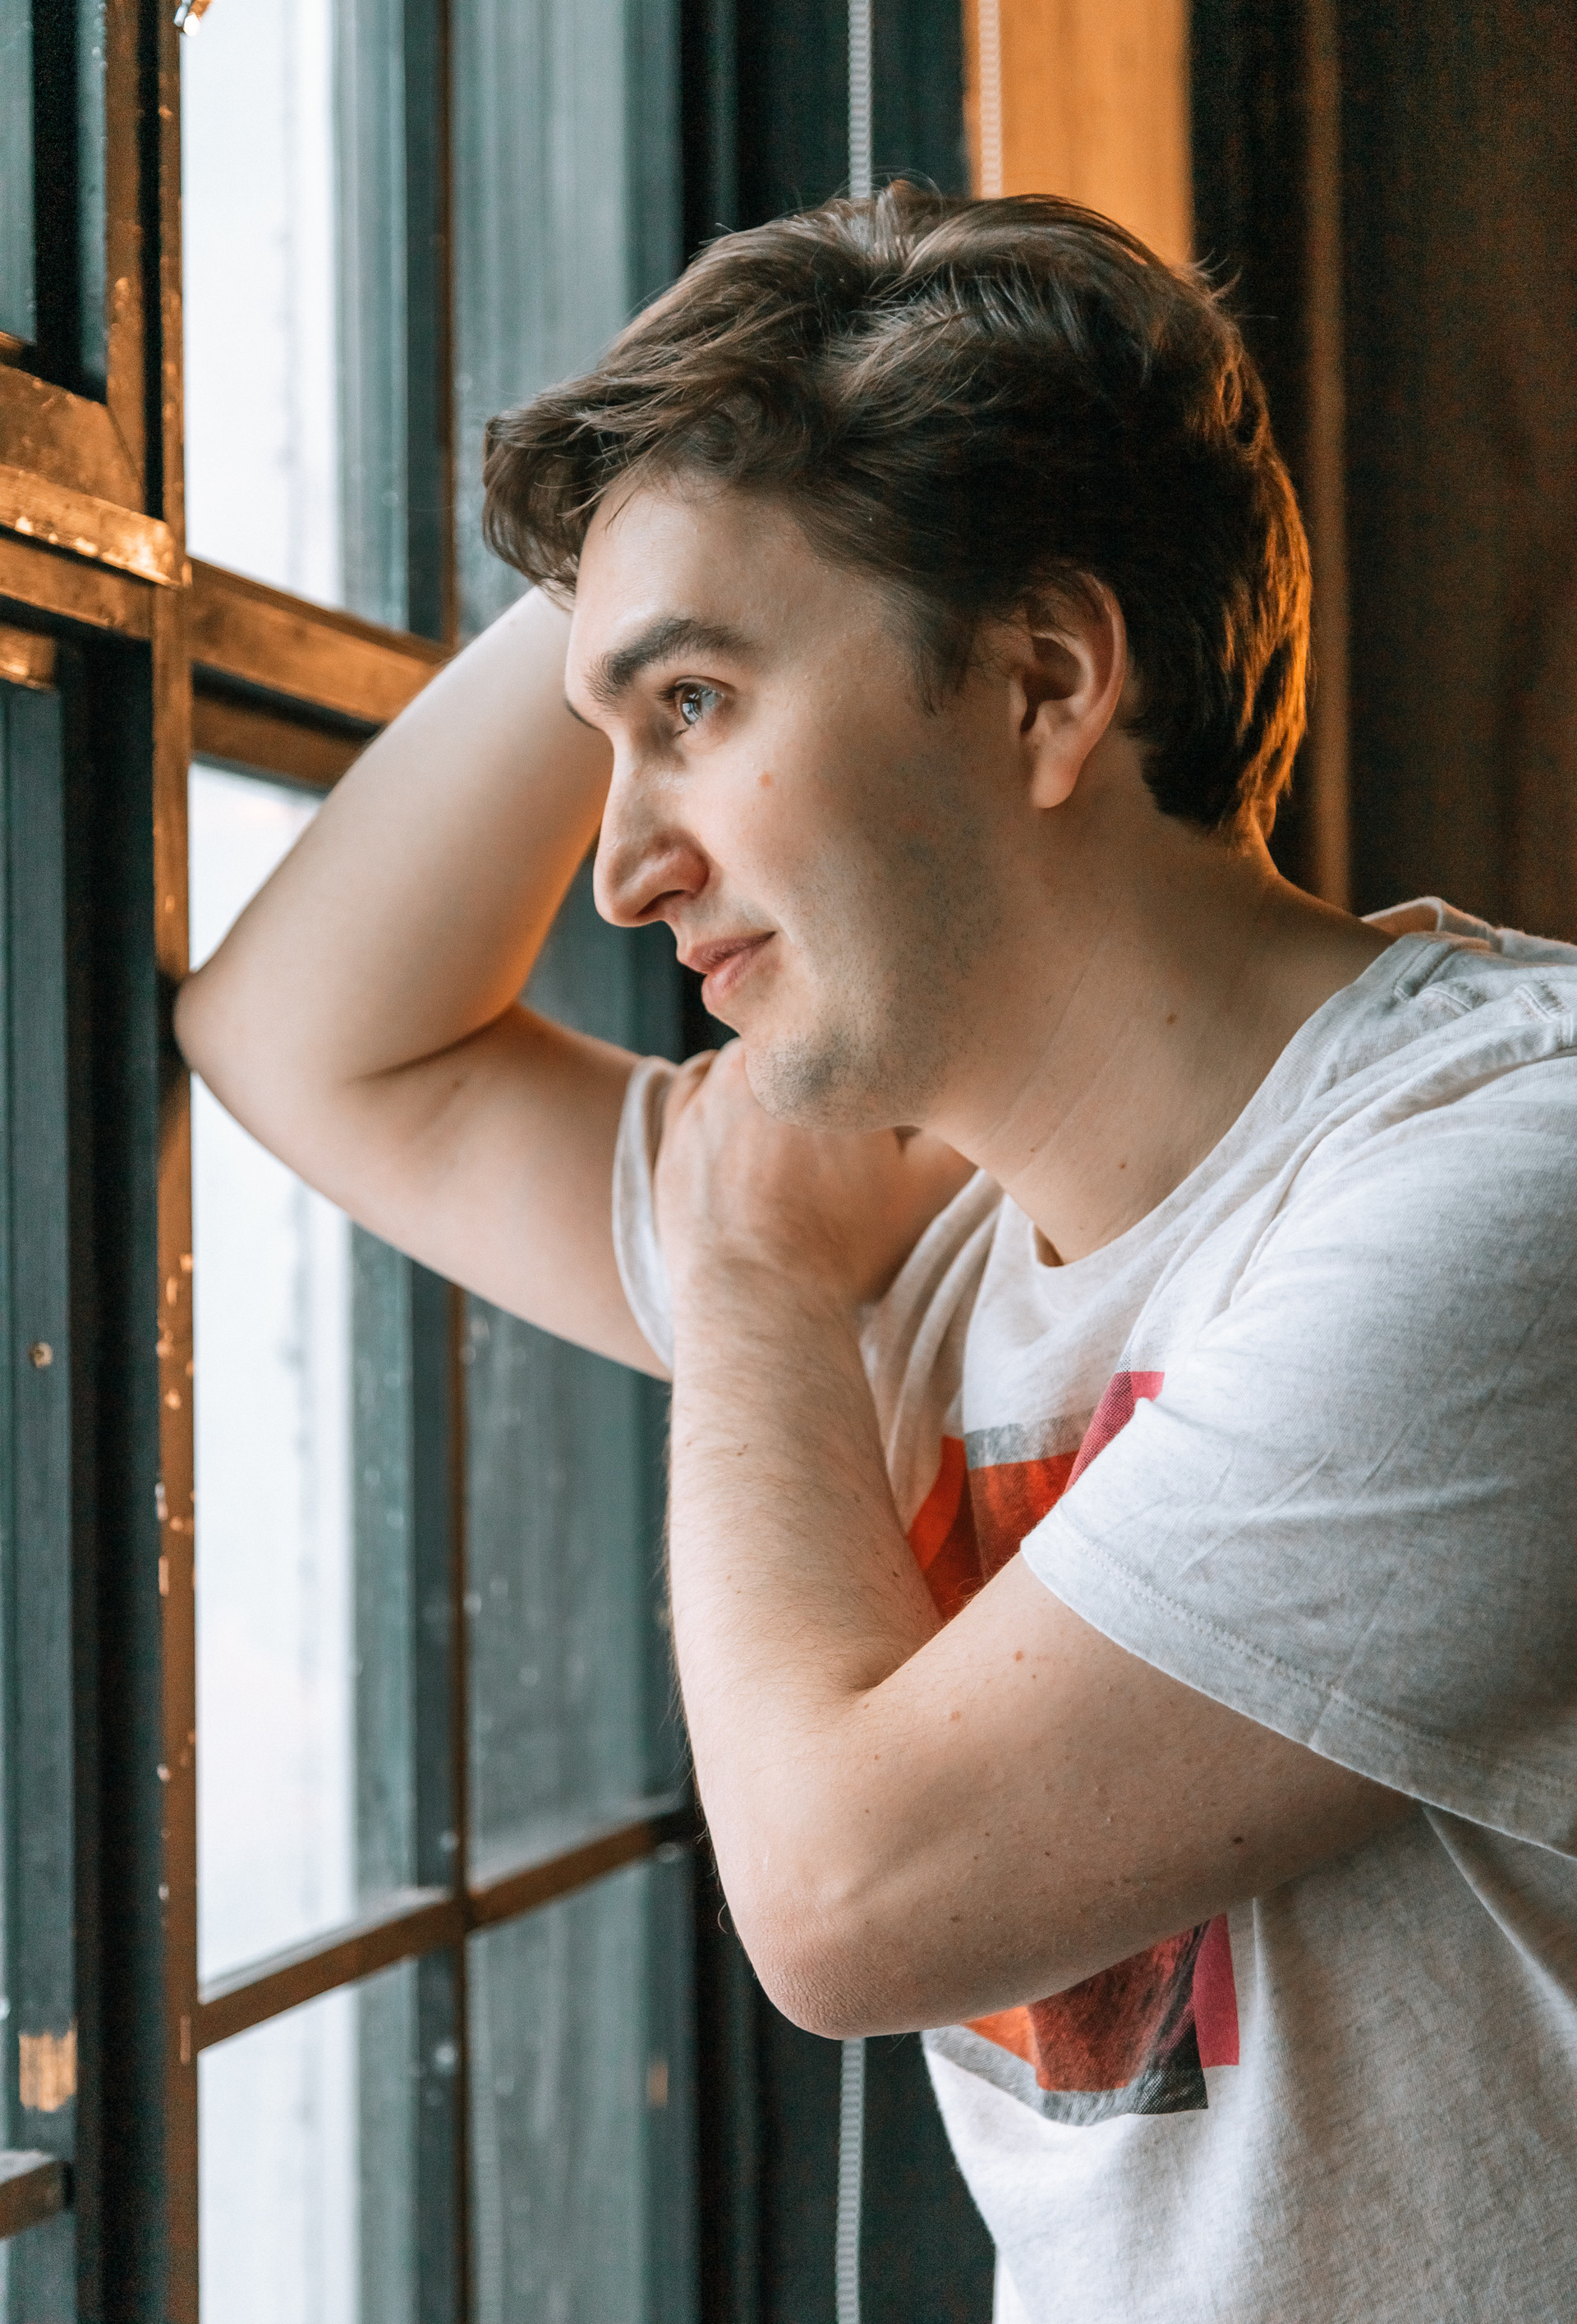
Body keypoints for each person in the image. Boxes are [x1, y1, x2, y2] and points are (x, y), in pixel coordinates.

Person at [176, 188, 1577, 2322]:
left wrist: (753, 1297)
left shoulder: (1500, 1177)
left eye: (699, 706)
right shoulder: (908, 1205)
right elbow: (300, 1035)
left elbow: (849, 1901)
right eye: (614, 733)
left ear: (1044, 681)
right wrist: (655, 544)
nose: (624, 869)